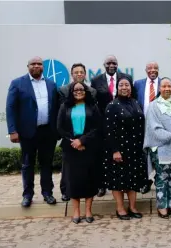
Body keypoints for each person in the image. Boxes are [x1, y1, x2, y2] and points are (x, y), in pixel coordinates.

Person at [6, 56, 59, 207]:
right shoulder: (17, 83)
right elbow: (10, 108)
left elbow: (55, 108)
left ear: (43, 67)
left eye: (39, 64)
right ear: (28, 66)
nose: (36, 66)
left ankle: (47, 193)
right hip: (27, 132)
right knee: (27, 164)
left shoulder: (51, 84)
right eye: (33, 64)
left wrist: (57, 130)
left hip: (47, 132)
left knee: (46, 164)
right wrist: (12, 130)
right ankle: (27, 195)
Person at [143, 77, 171, 219]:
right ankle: (162, 206)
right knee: (162, 178)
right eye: (164, 86)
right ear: (159, 88)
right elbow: (154, 129)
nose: (167, 88)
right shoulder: (153, 106)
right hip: (160, 148)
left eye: (169, 86)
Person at [103, 76, 147, 220]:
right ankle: (120, 208)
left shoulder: (135, 102)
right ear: (117, 88)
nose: (124, 87)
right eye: (121, 85)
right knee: (118, 180)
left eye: (127, 85)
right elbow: (108, 131)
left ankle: (133, 207)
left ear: (131, 87)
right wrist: (115, 150)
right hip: (119, 150)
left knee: (133, 179)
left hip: (135, 149)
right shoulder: (112, 105)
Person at [57, 82, 101, 224]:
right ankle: (76, 211)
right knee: (73, 181)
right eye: (75, 89)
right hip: (71, 148)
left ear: (86, 91)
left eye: (81, 89)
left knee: (89, 179)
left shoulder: (92, 106)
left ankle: (88, 210)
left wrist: (82, 141)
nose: (79, 91)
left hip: (89, 148)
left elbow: (98, 127)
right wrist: (74, 142)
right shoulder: (65, 106)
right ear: (71, 92)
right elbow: (60, 128)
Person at [91, 55, 133, 198]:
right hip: (104, 124)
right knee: (104, 155)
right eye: (108, 63)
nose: (111, 65)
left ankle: (125, 184)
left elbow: (132, 98)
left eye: (114, 63)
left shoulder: (126, 78)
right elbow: (94, 102)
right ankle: (102, 185)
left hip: (123, 124)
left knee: (123, 155)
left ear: (117, 64)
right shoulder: (96, 81)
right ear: (104, 64)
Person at [57, 63, 97, 202]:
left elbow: (94, 120)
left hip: (87, 139)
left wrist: (84, 140)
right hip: (70, 139)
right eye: (76, 72)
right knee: (68, 169)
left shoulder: (92, 91)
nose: (79, 74)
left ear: (85, 74)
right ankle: (66, 191)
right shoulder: (63, 90)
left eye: (81, 72)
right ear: (72, 74)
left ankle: (89, 192)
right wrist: (73, 141)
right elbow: (62, 121)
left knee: (87, 170)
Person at [134, 61, 161, 194]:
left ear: (158, 70)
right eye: (150, 68)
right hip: (142, 125)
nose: (152, 70)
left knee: (158, 153)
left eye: (155, 68)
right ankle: (145, 181)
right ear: (145, 70)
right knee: (144, 154)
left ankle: (158, 178)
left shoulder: (164, 84)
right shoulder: (138, 84)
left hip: (159, 126)